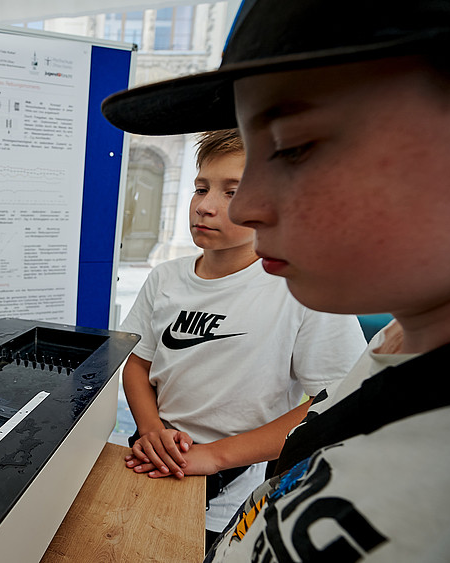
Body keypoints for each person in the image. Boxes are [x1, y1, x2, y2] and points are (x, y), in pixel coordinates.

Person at [103, 0, 450, 560]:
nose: (250, 206)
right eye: (203, 187)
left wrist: (218, 455)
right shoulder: (390, 347)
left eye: (294, 147)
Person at [119, 128, 364, 548]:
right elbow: (138, 363)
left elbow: (339, 400)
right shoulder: (165, 278)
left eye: (233, 192)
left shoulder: (303, 288)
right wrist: (151, 429)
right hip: (153, 460)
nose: (205, 207)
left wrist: (214, 457)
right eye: (201, 188)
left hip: (231, 495)